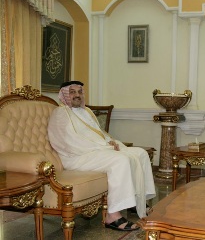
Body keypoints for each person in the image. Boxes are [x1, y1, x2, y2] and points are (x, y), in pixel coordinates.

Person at [47, 81, 156, 231]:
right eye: (72, 92)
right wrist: (105, 147)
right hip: (76, 156)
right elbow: (70, 142)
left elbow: (97, 133)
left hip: (96, 151)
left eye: (80, 92)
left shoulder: (87, 112)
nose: (77, 95)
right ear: (64, 95)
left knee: (141, 153)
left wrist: (110, 142)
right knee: (120, 160)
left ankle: (138, 201)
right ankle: (113, 216)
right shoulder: (60, 113)